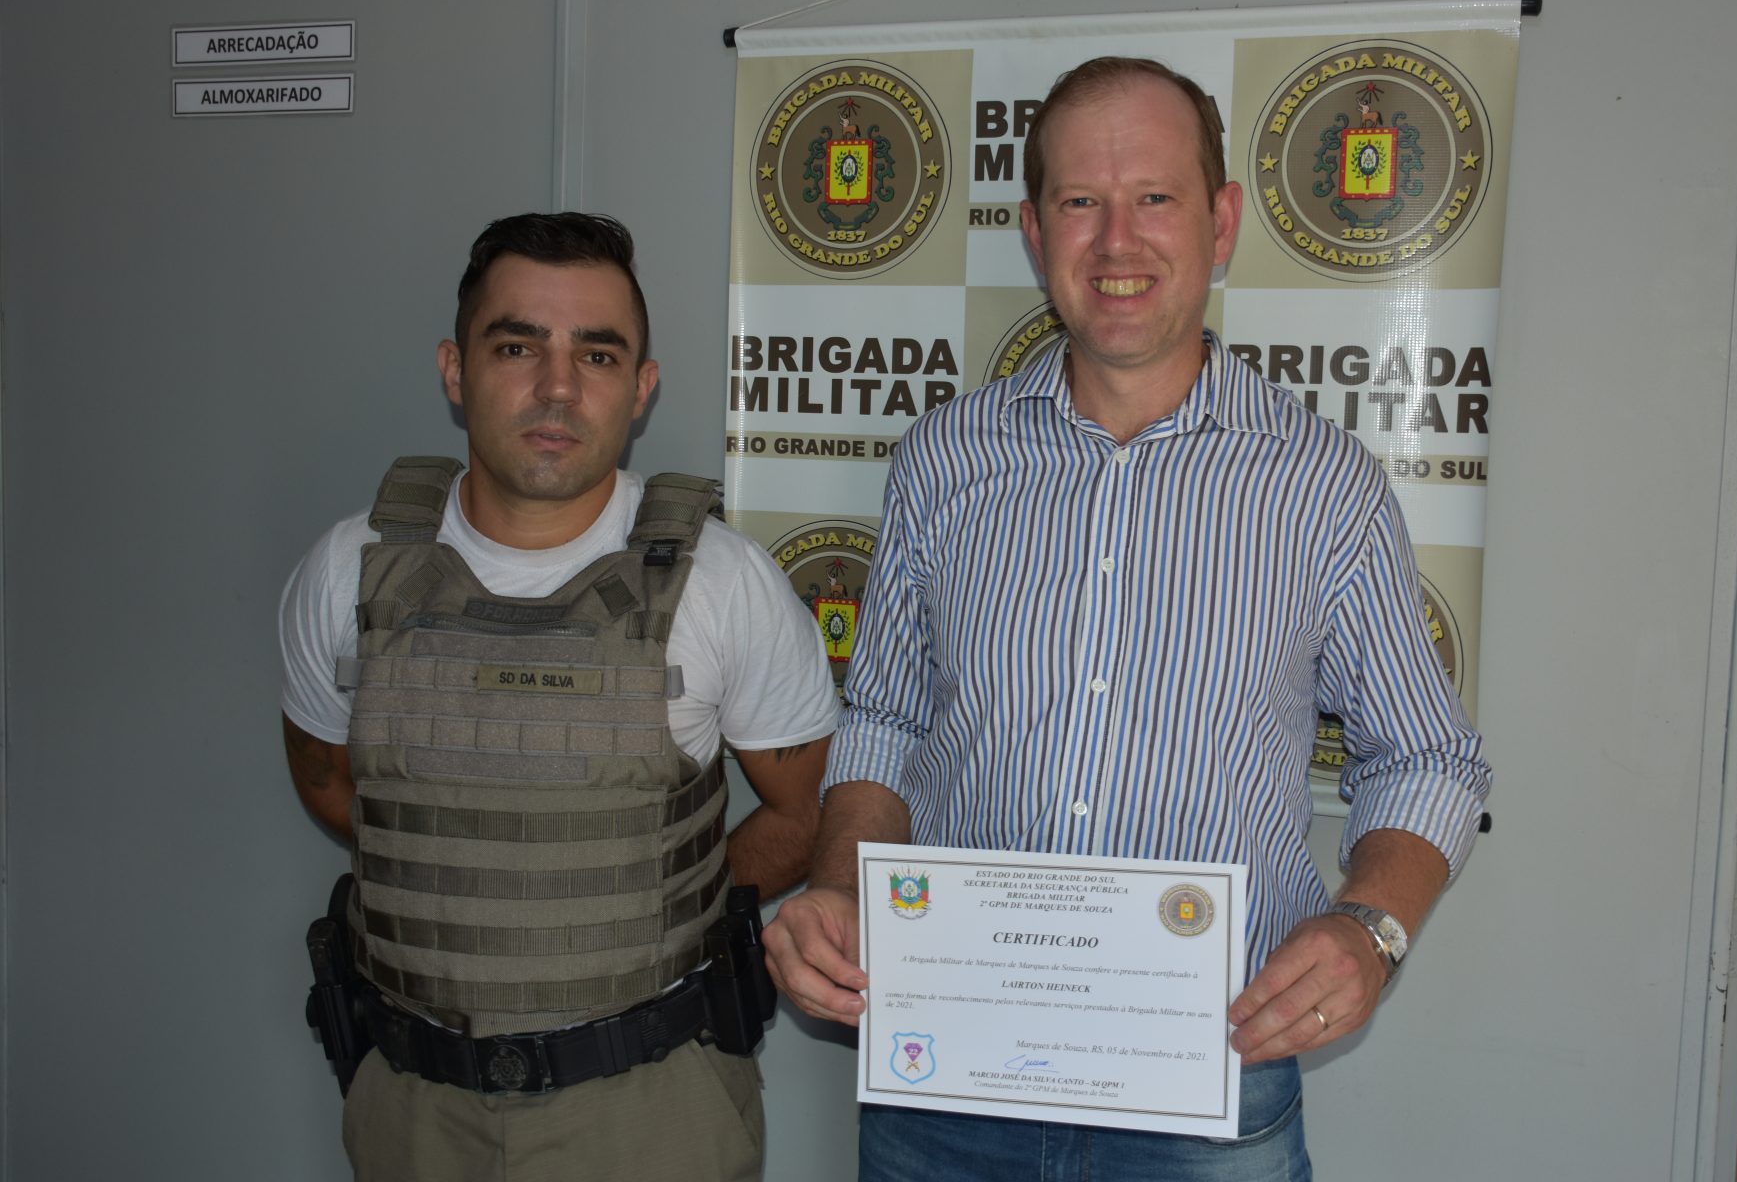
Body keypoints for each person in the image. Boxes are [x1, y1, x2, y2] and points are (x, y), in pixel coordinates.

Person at [764, 58, 1492, 1180]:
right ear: (1032, 229)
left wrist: (1372, 928)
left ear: (1222, 221)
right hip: (947, 1074)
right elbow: (887, 725)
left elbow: (1427, 755)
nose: (1117, 241)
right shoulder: (943, 460)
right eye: (1079, 201)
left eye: (1154, 196)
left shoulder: (1321, 483)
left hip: (1208, 1084)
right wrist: (834, 883)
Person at [279, 212, 839, 1181]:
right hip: (416, 1107)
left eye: (597, 354)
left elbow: (806, 810)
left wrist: (667, 917)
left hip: (653, 1107)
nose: (558, 387)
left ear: (641, 387)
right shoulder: (346, 570)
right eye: (517, 346)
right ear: (455, 369)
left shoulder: (724, 582)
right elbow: (329, 780)